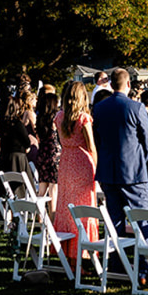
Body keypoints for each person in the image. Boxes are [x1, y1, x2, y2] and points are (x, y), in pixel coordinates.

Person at [92, 68, 148, 250]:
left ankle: (116, 265)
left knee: (114, 222)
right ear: (128, 84)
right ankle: (143, 268)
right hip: (133, 173)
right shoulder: (136, 107)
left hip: (108, 171)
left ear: (111, 84)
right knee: (142, 219)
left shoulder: (99, 108)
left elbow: (98, 139)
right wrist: (139, 160)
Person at [54, 80, 99, 261]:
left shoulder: (59, 117)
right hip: (82, 163)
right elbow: (91, 147)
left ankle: (66, 251)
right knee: (85, 205)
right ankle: (82, 250)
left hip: (66, 162)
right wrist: (96, 167)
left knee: (66, 205)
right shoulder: (83, 119)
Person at [0, 86, 37, 183]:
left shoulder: (3, 124)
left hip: (5, 158)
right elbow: (26, 140)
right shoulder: (17, 123)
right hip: (19, 157)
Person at [35, 87, 62, 195]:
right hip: (54, 154)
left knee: (42, 188)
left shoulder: (40, 118)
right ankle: (53, 212)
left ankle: (38, 212)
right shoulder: (55, 118)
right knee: (53, 189)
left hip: (42, 154)